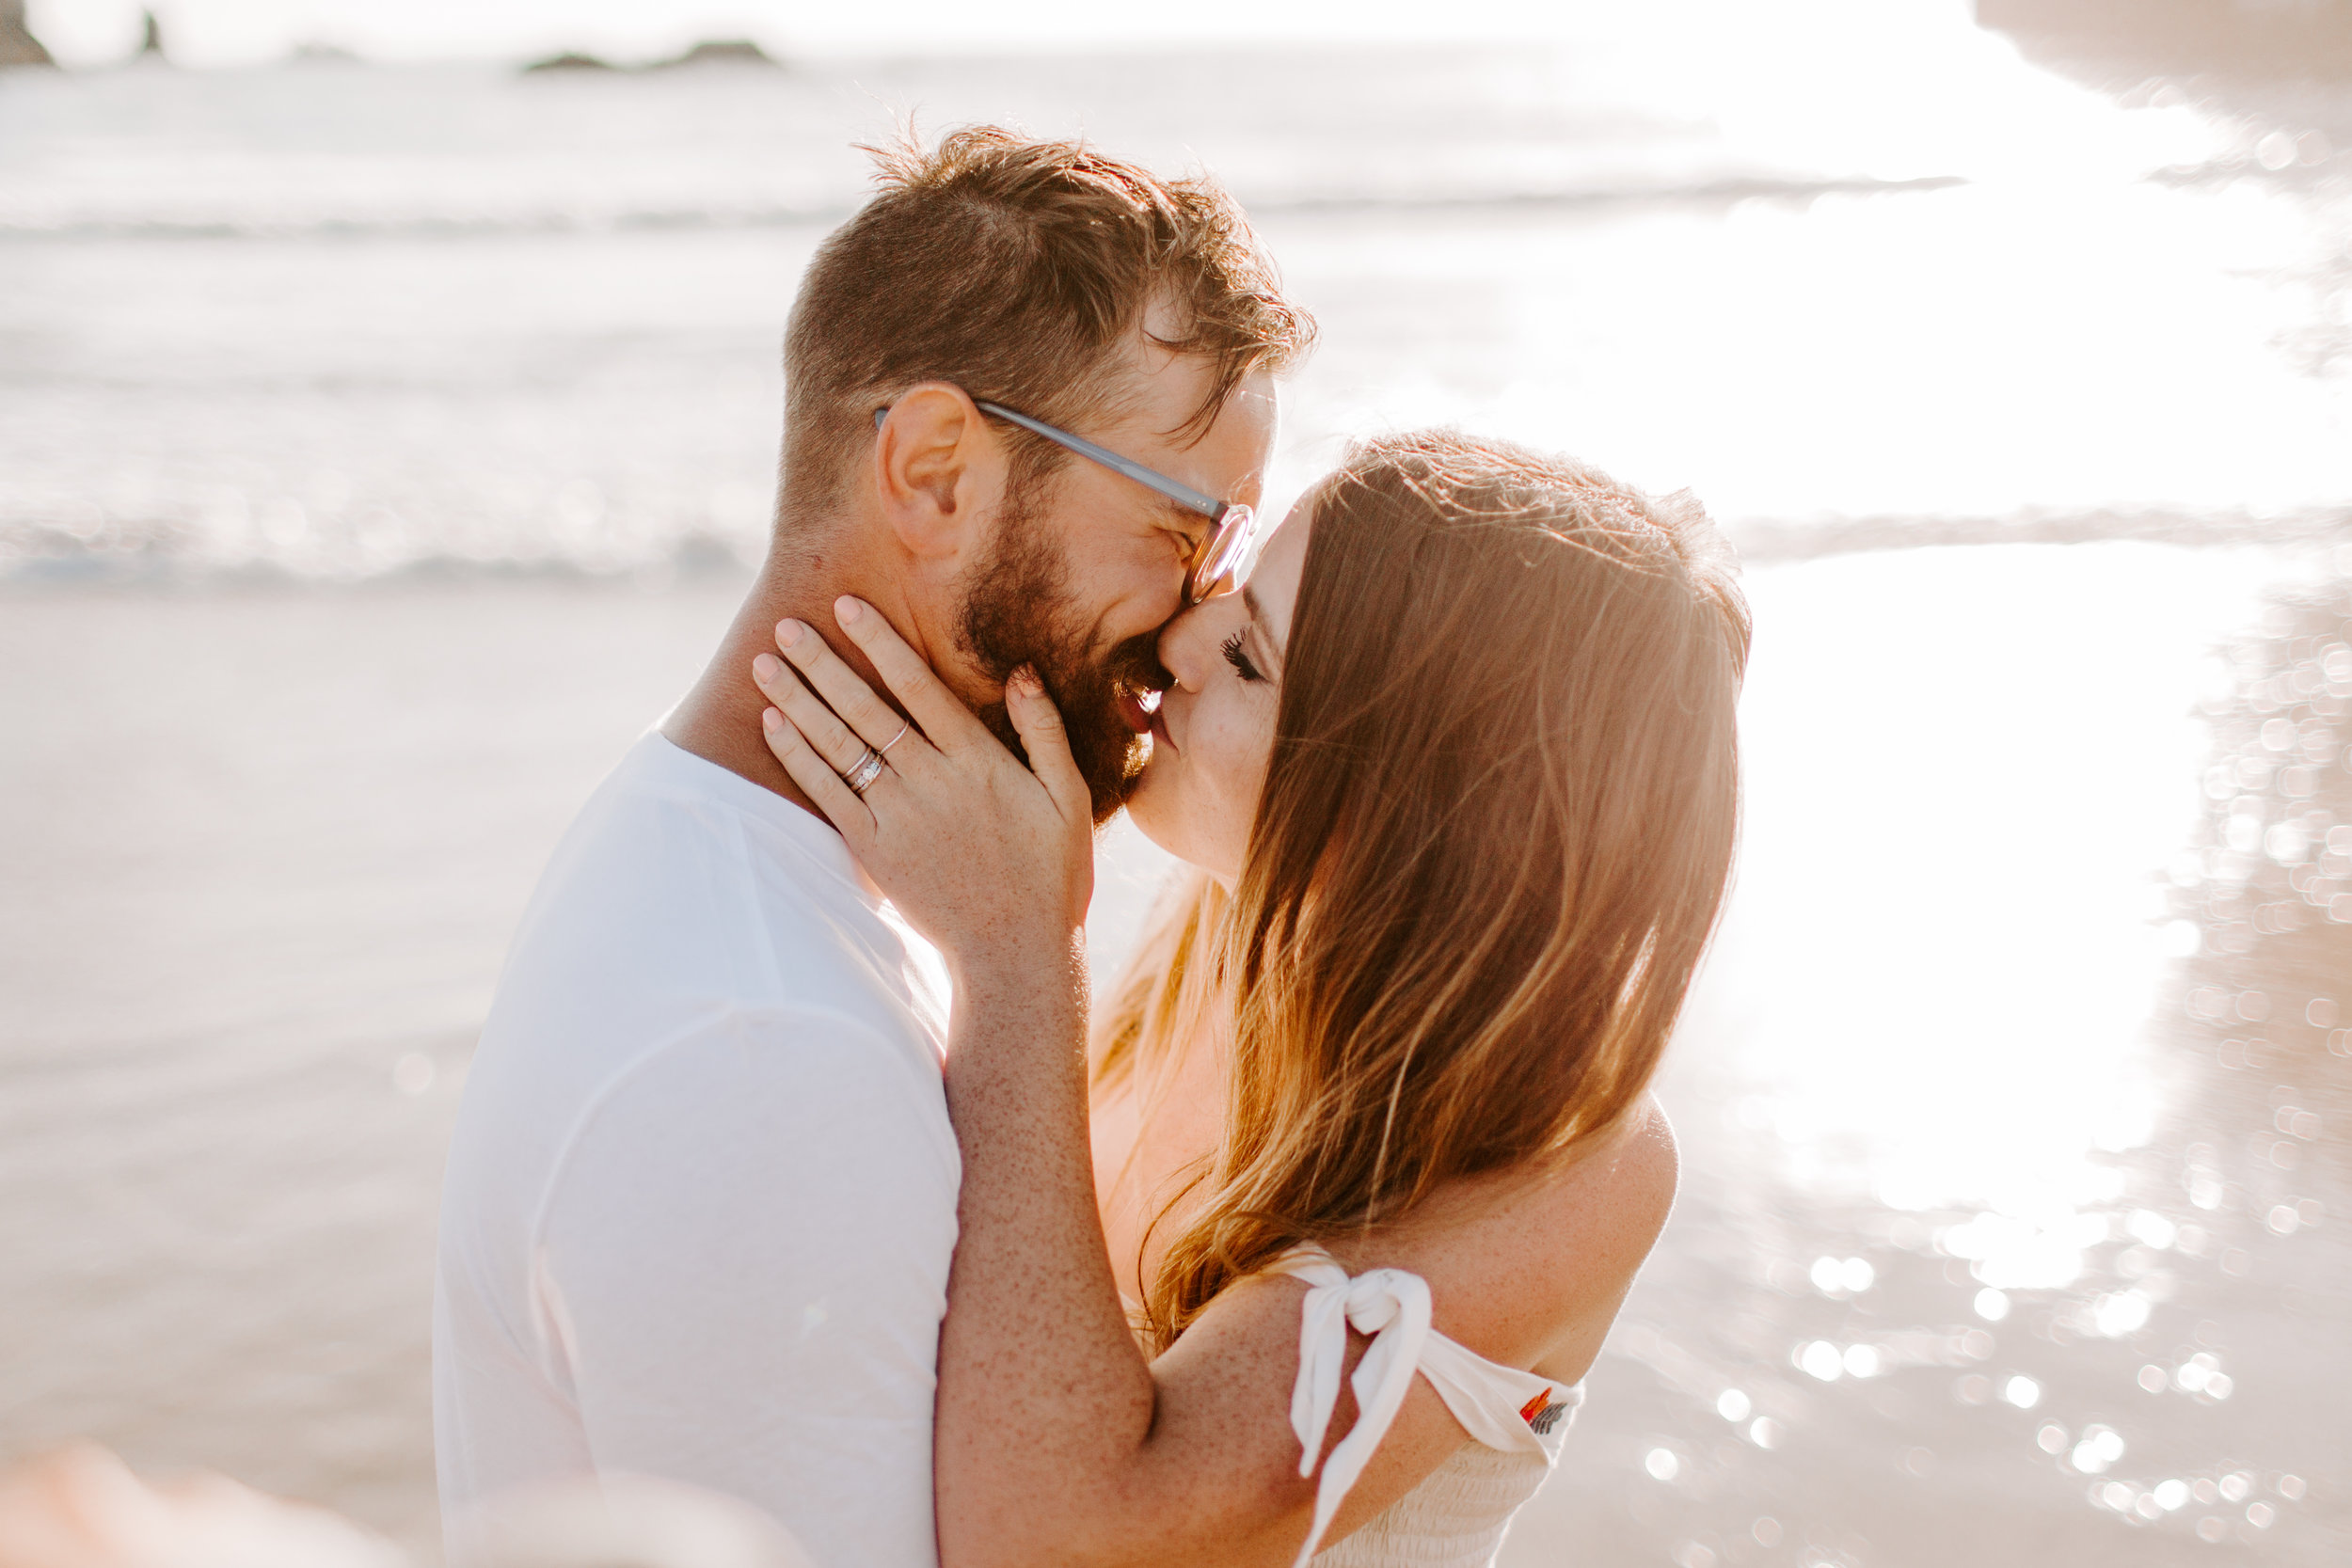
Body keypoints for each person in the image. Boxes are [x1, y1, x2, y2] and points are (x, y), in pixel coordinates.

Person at [430, 127, 1313, 1568]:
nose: (1189, 616)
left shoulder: (742, 847)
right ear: (937, 473)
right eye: (1177, 525)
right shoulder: (762, 1046)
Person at [750, 429, 1751, 1566]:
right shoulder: (1214, 934)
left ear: (1400, 805)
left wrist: (1017, 954)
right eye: (1229, 589)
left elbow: (1065, 1536)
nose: (1177, 638)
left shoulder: (1574, 1161)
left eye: (1249, 658)